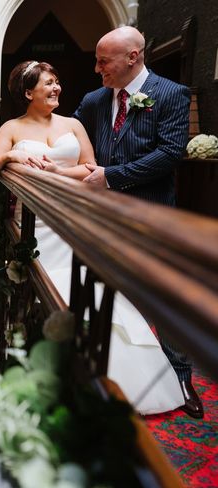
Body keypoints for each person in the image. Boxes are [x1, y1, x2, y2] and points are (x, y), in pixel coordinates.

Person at [0, 60, 185, 416]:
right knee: (52, 297)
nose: (57, 88)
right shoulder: (12, 127)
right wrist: (12, 155)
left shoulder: (73, 124)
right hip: (36, 226)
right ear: (29, 93)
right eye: (48, 83)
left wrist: (59, 171)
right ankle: (60, 381)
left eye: (57, 81)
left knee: (93, 292)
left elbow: (90, 167)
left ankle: (120, 381)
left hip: (73, 220)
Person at [75, 26, 202, 418]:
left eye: (103, 60)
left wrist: (112, 176)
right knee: (105, 299)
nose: (97, 68)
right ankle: (111, 381)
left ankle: (181, 378)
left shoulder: (170, 94)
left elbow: (169, 153)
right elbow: (67, 134)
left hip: (151, 214)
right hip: (101, 219)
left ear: (133, 57)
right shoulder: (95, 100)